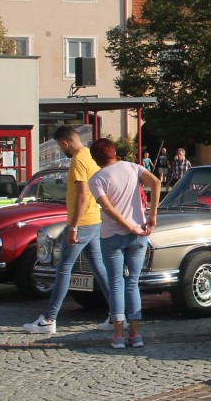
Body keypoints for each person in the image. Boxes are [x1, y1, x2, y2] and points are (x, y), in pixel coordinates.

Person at [24, 126, 111, 335]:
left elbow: (82, 195)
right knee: (99, 268)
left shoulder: (78, 161)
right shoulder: (90, 156)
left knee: (63, 269)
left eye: (58, 145)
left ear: (64, 143)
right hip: (94, 220)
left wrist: (73, 226)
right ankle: (118, 315)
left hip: (81, 223)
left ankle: (48, 319)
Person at [88, 137, 161, 350]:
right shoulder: (132, 167)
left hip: (112, 235)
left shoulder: (97, 178)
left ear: (96, 158)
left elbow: (108, 209)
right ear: (114, 153)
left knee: (116, 282)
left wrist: (127, 226)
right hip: (140, 233)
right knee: (133, 283)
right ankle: (136, 335)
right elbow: (156, 182)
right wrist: (152, 215)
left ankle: (118, 335)